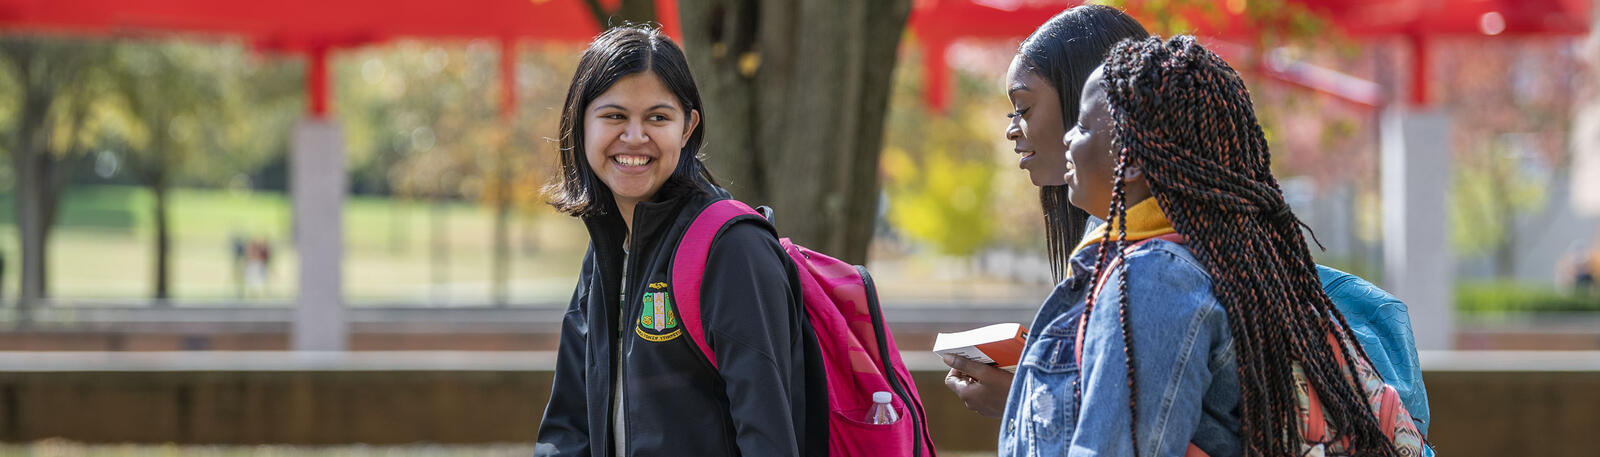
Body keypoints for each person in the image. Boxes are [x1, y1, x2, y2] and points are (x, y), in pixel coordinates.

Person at [998, 35, 1418, 456]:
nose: (1070, 138)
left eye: (1085, 126)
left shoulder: (1152, 280)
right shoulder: (1217, 263)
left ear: (1135, 158)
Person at [534, 25, 819, 457]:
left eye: (657, 118)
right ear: (581, 123)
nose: (634, 137)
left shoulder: (733, 249)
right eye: (614, 116)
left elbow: (769, 437)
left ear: (688, 128)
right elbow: (568, 427)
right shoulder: (608, 249)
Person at [943, 4, 1150, 419]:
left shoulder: (1149, 266)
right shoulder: (1108, 238)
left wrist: (1022, 401)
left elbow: (1136, 426)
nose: (1011, 129)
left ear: (1091, 103)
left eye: (1023, 107)